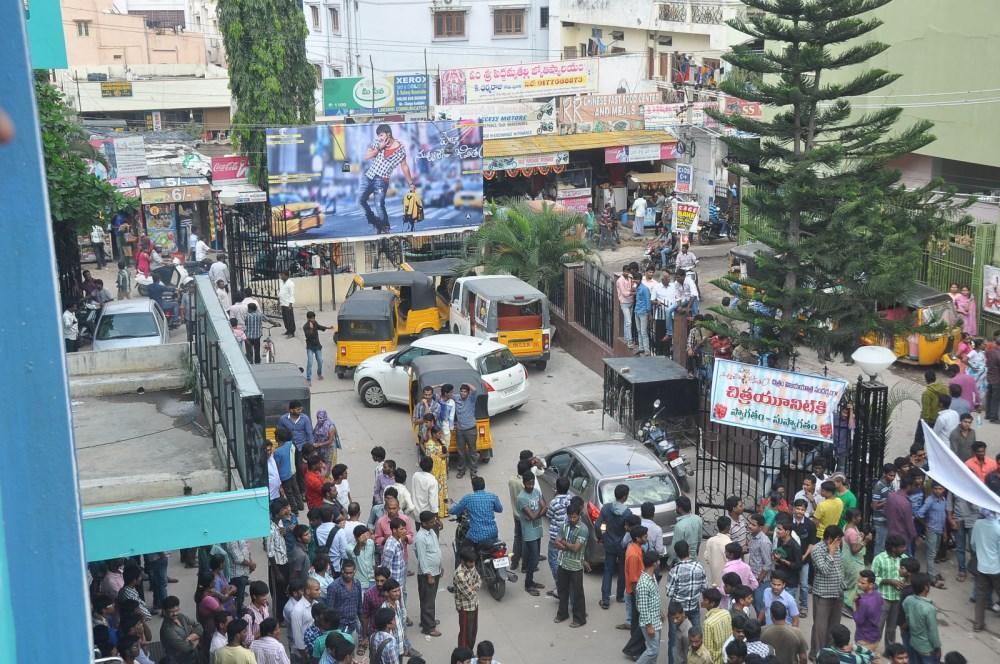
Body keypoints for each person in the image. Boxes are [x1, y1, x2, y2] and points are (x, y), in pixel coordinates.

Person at [360, 124, 415, 233]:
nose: (379, 137)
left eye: (381, 135)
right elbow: (366, 156)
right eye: (378, 135)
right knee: (361, 201)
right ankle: (375, 222)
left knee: (379, 204)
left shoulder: (400, 149)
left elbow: (404, 166)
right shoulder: (377, 143)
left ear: (388, 134)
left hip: (382, 180)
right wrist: (379, 148)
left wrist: (411, 183)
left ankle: (385, 228)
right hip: (369, 176)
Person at [666, 539, 706, 659]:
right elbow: (705, 587)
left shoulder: (675, 570)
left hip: (677, 610)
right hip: (693, 607)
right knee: (696, 637)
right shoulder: (699, 567)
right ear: (688, 551)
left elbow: (669, 592)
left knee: (674, 641)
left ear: (677, 554)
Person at [553, 499, 589, 627]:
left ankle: (579, 618)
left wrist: (564, 543)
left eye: (574, 517)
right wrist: (565, 545)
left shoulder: (583, 529)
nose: (572, 519)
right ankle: (562, 614)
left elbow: (576, 548)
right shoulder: (564, 525)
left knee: (578, 593)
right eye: (570, 517)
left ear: (579, 516)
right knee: (562, 590)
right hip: (563, 563)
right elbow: (556, 541)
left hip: (576, 566)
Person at [810, 525, 844, 659]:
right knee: (820, 628)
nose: (840, 542)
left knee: (833, 627)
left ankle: (830, 655)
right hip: (823, 594)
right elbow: (824, 569)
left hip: (837, 592)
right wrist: (830, 552)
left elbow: (839, 567)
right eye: (838, 540)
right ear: (830, 539)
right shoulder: (817, 549)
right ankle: (817, 655)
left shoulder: (837, 547)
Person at [595, 483, 631, 609]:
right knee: (622, 570)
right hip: (622, 546)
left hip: (609, 544)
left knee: (608, 570)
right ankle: (620, 596)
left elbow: (600, 525)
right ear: (625, 497)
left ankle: (605, 600)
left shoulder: (606, 508)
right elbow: (628, 531)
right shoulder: (627, 513)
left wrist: (602, 536)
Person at [872, 534, 908, 647]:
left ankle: (890, 651)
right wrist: (888, 581)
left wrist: (905, 583)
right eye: (901, 547)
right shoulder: (879, 559)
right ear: (893, 548)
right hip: (883, 597)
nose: (904, 549)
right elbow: (872, 578)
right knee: (878, 625)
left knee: (892, 628)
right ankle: (872, 649)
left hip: (897, 598)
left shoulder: (905, 559)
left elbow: (910, 575)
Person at [517, 471, 547, 596]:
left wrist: (537, 514)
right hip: (529, 532)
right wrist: (540, 511)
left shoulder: (536, 492)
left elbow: (545, 507)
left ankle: (531, 581)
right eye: (528, 484)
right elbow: (534, 514)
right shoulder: (521, 497)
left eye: (532, 483)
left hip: (537, 529)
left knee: (536, 559)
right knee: (533, 559)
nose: (530, 486)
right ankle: (528, 584)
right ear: (524, 483)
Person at [970, 508, 1000, 631]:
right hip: (996, 568)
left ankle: (978, 624)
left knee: (980, 596)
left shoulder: (978, 524)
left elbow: (972, 544)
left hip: (981, 567)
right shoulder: (997, 527)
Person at [414, 511, 443, 636]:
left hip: (435, 570)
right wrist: (428, 574)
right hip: (428, 574)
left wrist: (440, 566)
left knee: (430, 598)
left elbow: (436, 550)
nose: (434, 523)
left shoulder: (431, 532)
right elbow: (422, 558)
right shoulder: (420, 537)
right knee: (428, 600)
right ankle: (429, 627)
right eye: (431, 522)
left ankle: (427, 620)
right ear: (424, 523)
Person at [632, 550, 663, 664]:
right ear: (654, 563)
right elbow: (643, 608)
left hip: (656, 619)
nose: (659, 563)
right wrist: (649, 626)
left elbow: (654, 597)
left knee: (655, 649)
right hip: (650, 622)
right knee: (653, 650)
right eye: (658, 561)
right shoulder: (644, 583)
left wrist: (660, 611)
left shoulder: (652, 577)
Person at [901, 573, 940, 664]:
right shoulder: (929, 608)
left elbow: (907, 618)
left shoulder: (908, 600)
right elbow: (933, 631)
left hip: (914, 642)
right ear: (926, 587)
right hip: (926, 647)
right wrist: (937, 647)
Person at [915, 483, 947, 587]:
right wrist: (926, 525)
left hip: (940, 530)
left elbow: (944, 517)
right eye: (936, 489)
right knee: (931, 554)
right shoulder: (930, 500)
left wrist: (945, 532)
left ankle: (932, 573)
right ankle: (931, 578)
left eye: (940, 489)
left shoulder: (944, 500)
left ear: (944, 489)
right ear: (933, 489)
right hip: (932, 530)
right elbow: (919, 514)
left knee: (934, 553)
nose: (938, 491)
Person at [159, 595, 202, 664]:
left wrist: (189, 639)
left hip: (193, 656)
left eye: (177, 610)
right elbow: (186, 648)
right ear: (164, 611)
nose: (175, 614)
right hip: (180, 661)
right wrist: (196, 637)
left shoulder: (181, 616)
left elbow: (199, 626)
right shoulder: (167, 630)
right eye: (171, 612)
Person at [454, 547, 481, 650]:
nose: (473, 564)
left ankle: (469, 651)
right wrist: (474, 587)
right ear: (463, 561)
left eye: (473, 562)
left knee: (473, 631)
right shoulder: (459, 574)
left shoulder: (472, 567)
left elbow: (479, 581)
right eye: (470, 562)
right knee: (465, 633)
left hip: (474, 604)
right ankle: (463, 655)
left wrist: (473, 587)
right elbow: (469, 594)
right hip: (465, 608)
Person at [852, 570, 883, 657]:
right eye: (859, 581)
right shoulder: (878, 595)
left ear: (871, 585)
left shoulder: (864, 602)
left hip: (864, 638)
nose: (859, 584)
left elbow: (858, 620)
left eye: (863, 583)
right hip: (875, 635)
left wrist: (854, 604)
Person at [453, 383, 479, 480]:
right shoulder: (456, 398)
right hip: (460, 431)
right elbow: (447, 394)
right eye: (461, 391)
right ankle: (461, 470)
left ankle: (474, 472)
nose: (463, 393)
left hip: (471, 430)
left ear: (468, 393)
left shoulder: (471, 399)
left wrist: (466, 383)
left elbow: (475, 390)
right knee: (460, 452)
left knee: (473, 452)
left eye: (465, 392)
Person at [701, 515, 733, 589]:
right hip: (727, 582)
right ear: (728, 527)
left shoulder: (710, 540)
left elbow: (706, 557)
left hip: (714, 580)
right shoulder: (729, 543)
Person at [917, 370, 948, 442]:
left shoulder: (927, 393)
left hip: (930, 420)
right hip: (941, 418)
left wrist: (924, 422)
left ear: (926, 379)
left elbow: (926, 410)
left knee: (919, 439)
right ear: (935, 378)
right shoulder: (944, 388)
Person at [701, 588, 732, 663]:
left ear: (712, 603)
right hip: (727, 657)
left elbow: (708, 650)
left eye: (705, 600)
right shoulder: (726, 613)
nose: (702, 602)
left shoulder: (708, 623)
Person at [672, 496, 702, 562]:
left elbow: (675, 547)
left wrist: (670, 561)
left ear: (680, 508)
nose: (676, 508)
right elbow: (699, 538)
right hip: (694, 557)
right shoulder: (698, 519)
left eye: (676, 506)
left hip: (682, 559)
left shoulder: (679, 526)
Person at [617, 266, 637, 349]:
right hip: (624, 303)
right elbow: (624, 293)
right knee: (628, 322)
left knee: (627, 322)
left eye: (628, 272)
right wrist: (633, 293)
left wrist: (633, 288)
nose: (627, 273)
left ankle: (626, 337)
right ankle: (629, 341)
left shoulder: (630, 278)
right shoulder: (620, 281)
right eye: (625, 271)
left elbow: (633, 286)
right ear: (623, 271)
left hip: (630, 302)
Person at [633, 273, 652, 356]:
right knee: (639, 330)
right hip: (637, 311)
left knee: (643, 331)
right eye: (634, 279)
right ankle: (641, 348)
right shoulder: (637, 288)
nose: (635, 280)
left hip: (643, 312)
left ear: (640, 279)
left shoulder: (644, 289)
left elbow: (648, 301)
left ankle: (647, 350)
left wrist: (648, 312)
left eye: (636, 279)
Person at [279, 271, 296, 337]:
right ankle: (288, 330)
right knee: (285, 319)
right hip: (283, 303)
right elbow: (281, 292)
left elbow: (292, 295)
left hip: (288, 304)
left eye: (282, 275)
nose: (281, 276)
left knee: (290, 319)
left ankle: (292, 332)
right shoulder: (281, 283)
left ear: (286, 276)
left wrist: (290, 304)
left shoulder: (290, 284)